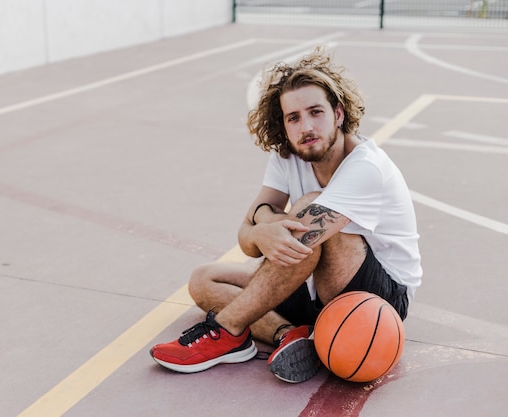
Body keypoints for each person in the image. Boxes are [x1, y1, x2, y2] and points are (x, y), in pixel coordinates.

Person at [149, 48, 422, 383]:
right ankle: (289, 335)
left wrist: (263, 224)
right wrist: (260, 230)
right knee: (204, 279)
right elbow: (248, 239)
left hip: (378, 298)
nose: (305, 126)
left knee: (311, 207)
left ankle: (225, 330)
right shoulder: (287, 157)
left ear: (338, 113)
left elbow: (299, 234)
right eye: (293, 117)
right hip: (313, 282)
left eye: (315, 112)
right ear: (283, 124)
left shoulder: (367, 167)